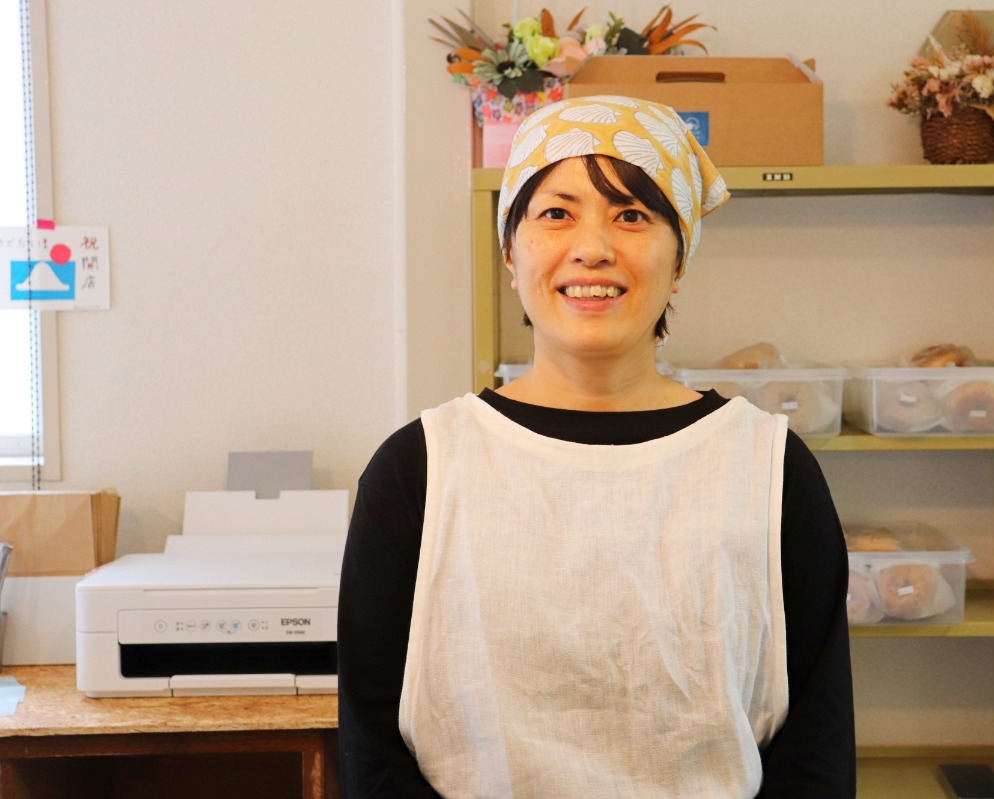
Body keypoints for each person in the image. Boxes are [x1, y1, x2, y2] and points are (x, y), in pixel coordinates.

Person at [338, 94, 856, 798]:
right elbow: (372, 744)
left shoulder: (767, 468)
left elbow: (816, 750)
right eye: (557, 213)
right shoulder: (420, 467)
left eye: (631, 215)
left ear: (679, 259)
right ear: (510, 252)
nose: (592, 247)